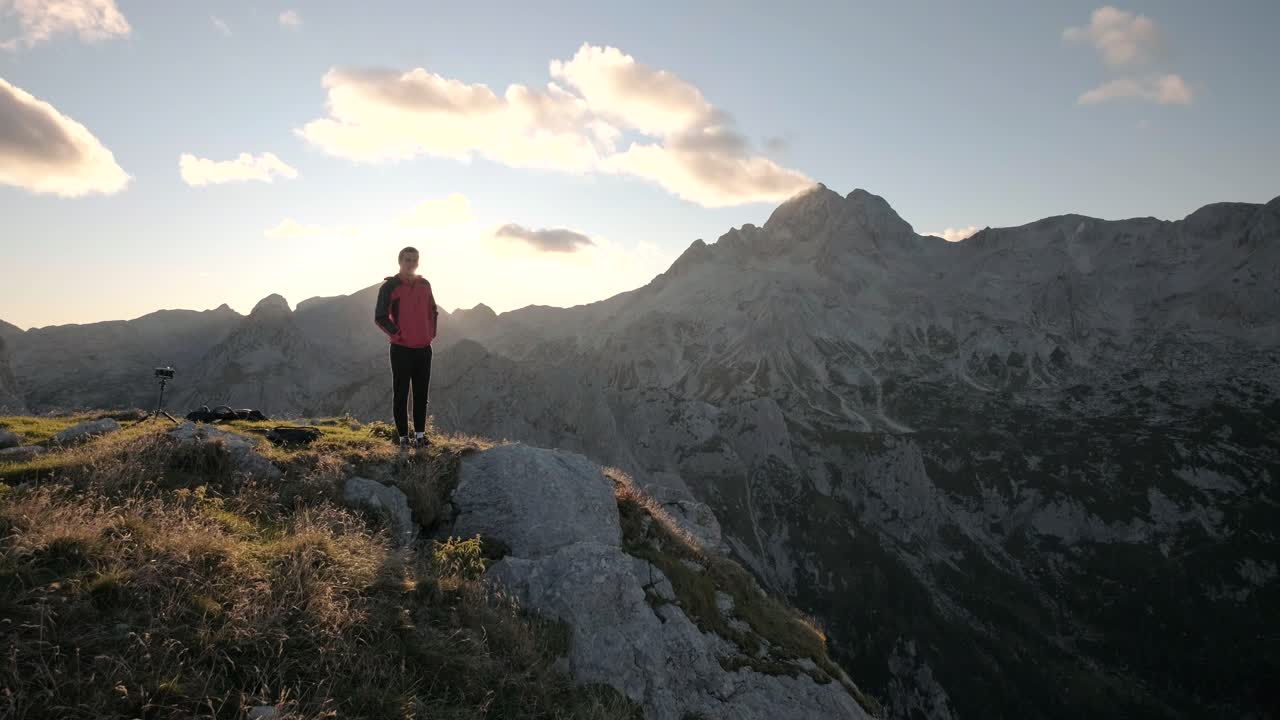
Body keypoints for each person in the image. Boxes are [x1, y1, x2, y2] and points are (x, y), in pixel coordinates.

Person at [374, 246, 439, 451]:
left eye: (414, 260)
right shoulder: (390, 286)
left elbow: (433, 310)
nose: (411, 263)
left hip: (424, 348)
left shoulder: (425, 284)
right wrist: (398, 334)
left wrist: (431, 333)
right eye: (407, 260)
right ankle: (403, 438)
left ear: (417, 262)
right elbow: (380, 316)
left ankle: (420, 436)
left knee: (421, 394)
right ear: (400, 261)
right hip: (401, 349)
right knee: (401, 394)